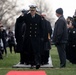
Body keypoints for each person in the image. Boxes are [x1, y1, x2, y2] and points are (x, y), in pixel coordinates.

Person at [23, 4, 44, 69]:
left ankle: (37, 63)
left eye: (33, 11)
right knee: (30, 51)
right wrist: (25, 13)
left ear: (35, 11)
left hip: (36, 37)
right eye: (31, 11)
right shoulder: (27, 16)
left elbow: (41, 27)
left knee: (37, 51)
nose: (32, 12)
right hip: (29, 37)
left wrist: (42, 36)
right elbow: (20, 20)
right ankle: (32, 63)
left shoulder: (38, 17)